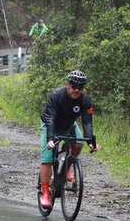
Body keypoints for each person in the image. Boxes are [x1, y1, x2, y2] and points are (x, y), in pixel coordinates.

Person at [38, 69, 99, 208]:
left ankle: (66, 164)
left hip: (69, 125)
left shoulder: (85, 100)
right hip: (50, 125)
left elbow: (87, 122)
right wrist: (50, 139)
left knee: (78, 144)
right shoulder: (56, 96)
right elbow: (50, 119)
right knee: (47, 159)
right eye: (73, 87)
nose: (76, 90)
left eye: (80, 88)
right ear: (68, 85)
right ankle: (46, 193)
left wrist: (90, 141)